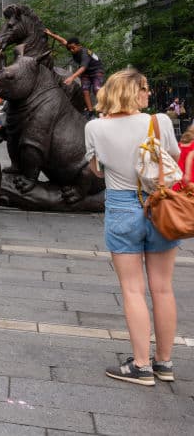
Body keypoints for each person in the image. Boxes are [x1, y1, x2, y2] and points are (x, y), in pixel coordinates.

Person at [85, 69, 180, 386]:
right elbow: (173, 158)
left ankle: (140, 366)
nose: (149, 95)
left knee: (132, 288)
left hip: (123, 206)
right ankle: (163, 362)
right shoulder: (160, 122)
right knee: (163, 287)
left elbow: (96, 171)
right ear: (133, 91)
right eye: (145, 89)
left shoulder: (95, 127)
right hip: (160, 205)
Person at [45, 30, 105, 117]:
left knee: (96, 89)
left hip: (96, 71)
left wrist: (72, 77)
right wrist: (51, 34)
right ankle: (90, 111)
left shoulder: (84, 53)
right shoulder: (72, 47)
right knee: (85, 90)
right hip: (86, 72)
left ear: (79, 46)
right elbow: (63, 41)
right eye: (70, 48)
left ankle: (102, 110)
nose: (71, 50)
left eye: (73, 48)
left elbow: (83, 67)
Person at [173, 124, 194, 191]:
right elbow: (189, 158)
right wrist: (187, 174)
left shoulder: (180, 144)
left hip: (178, 172)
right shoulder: (193, 145)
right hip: (189, 172)